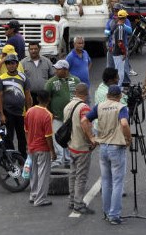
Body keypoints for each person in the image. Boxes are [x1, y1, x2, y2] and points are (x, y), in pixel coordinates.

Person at [83, 85, 131, 225]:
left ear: (108, 95)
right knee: (117, 182)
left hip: (103, 147)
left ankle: (106, 212)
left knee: (106, 181)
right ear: (119, 96)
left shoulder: (99, 106)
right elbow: (124, 124)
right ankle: (114, 215)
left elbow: (84, 121)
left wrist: (92, 137)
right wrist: (128, 138)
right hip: (116, 147)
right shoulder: (120, 107)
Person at [64, 83, 96, 214]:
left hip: (71, 145)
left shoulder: (68, 106)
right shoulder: (84, 107)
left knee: (72, 174)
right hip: (82, 146)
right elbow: (85, 125)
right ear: (86, 93)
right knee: (81, 177)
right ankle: (78, 203)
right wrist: (91, 140)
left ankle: (72, 201)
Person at [45, 60, 80, 167]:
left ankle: (69, 159)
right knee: (57, 137)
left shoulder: (76, 80)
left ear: (65, 70)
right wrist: (49, 113)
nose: (55, 71)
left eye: (58, 69)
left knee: (71, 137)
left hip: (72, 117)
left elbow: (81, 96)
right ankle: (59, 159)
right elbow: (46, 99)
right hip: (57, 116)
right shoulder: (51, 82)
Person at [25, 90, 56, 207]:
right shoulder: (48, 115)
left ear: (37, 98)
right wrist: (52, 151)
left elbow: (26, 130)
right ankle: (40, 199)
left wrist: (28, 144)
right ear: (49, 99)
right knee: (43, 173)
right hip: (42, 148)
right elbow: (48, 136)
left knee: (34, 173)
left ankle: (33, 195)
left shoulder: (29, 111)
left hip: (32, 146)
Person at [0, 54, 32, 157]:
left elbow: (28, 95)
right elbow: (0, 97)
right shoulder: (2, 78)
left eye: (13, 63)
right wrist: (2, 114)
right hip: (7, 112)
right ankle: (11, 157)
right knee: (8, 136)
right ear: (6, 65)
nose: (10, 66)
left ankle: (22, 156)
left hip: (21, 112)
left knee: (21, 136)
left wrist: (29, 111)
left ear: (17, 64)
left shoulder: (23, 77)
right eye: (8, 64)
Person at [0, 45, 25, 126]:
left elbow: (22, 78)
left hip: (13, 101)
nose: (12, 56)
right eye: (9, 55)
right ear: (4, 55)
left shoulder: (16, 62)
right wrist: (2, 61)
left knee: (13, 127)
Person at [110, 9, 130, 85]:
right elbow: (120, 43)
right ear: (124, 18)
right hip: (119, 53)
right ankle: (118, 88)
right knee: (120, 73)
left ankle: (118, 88)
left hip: (115, 52)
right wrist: (124, 52)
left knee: (118, 70)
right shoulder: (121, 28)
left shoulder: (115, 26)